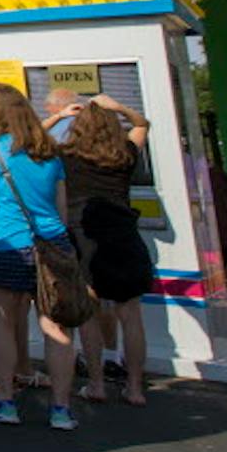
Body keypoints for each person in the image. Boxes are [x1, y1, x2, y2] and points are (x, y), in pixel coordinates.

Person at [0, 82, 80, 430]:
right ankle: (61, 408)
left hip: (6, 246)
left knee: (2, 323)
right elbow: (61, 207)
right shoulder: (48, 153)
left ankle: (5, 400)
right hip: (52, 243)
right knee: (56, 326)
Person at [61, 96, 154, 405]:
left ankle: (97, 383)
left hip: (83, 235)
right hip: (124, 234)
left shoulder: (67, 156)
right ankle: (135, 387)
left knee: (90, 313)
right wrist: (118, 107)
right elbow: (142, 124)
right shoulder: (124, 154)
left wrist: (59, 115)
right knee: (131, 314)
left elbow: (30, 144)